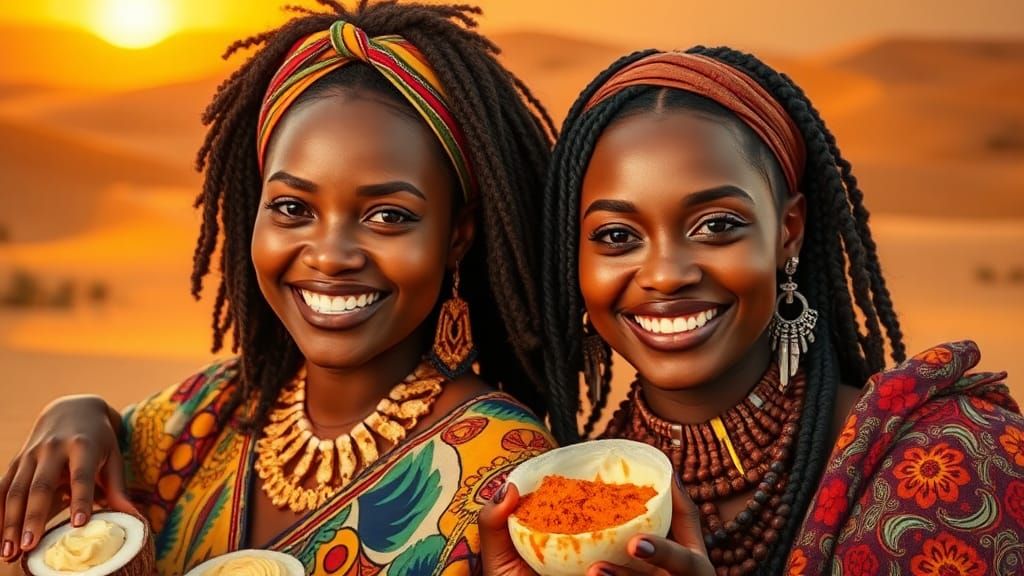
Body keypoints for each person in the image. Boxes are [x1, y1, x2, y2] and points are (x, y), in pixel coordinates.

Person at [0, 2, 558, 573]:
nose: (330, 255)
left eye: (388, 216)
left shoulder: (506, 475)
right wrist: (80, 414)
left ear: (456, 236)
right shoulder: (204, 415)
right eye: (292, 207)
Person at [480, 47, 1023, 576]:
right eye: (617, 235)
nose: (666, 274)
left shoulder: (957, 463)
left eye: (717, 225)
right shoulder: (555, 514)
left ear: (788, 232)